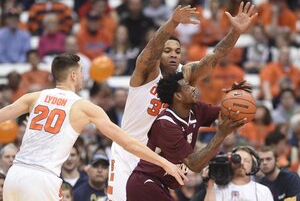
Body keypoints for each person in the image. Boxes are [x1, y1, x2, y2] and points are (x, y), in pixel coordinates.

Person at [108, 2, 258, 200]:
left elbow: (215, 56)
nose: (173, 55)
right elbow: (150, 51)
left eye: (177, 51)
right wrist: (173, 22)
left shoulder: (185, 76)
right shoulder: (145, 74)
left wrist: (235, 33)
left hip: (157, 161)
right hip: (129, 152)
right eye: (167, 50)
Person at [1, 53, 186, 201]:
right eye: (81, 72)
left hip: (15, 175)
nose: (83, 76)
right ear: (73, 75)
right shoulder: (83, 107)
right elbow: (127, 143)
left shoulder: (34, 97)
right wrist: (165, 163)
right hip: (42, 179)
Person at [126, 72, 247, 200]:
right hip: (145, 183)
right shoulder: (166, 124)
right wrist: (221, 134)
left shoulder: (195, 109)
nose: (193, 88)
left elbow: (227, 113)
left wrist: (235, 97)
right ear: (178, 96)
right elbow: (194, 165)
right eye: (188, 87)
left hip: (160, 184)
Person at [204, 146, 274, 201]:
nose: (241, 163)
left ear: (253, 166)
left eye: (246, 160)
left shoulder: (263, 191)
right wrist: (210, 183)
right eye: (237, 160)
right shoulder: (217, 188)